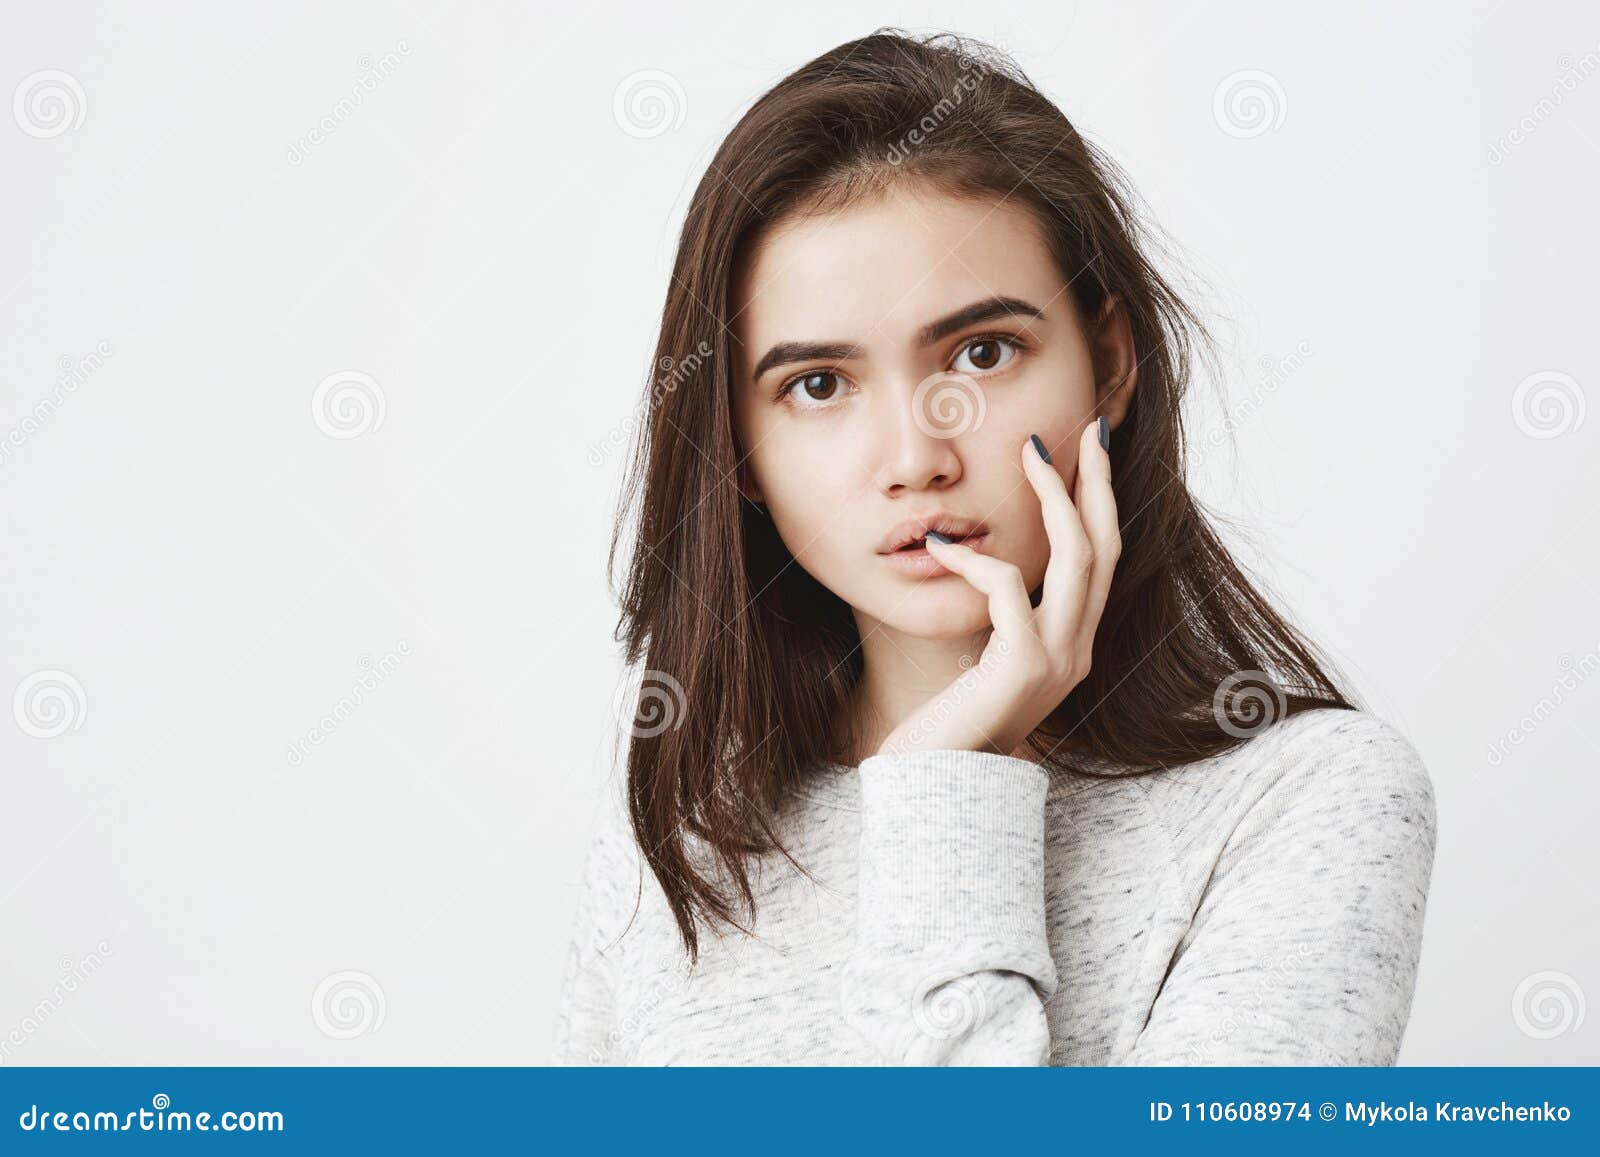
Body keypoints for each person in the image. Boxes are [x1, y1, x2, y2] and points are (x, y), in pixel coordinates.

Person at [554, 28, 1437, 1065]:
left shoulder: (1307, 801)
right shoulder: (682, 809)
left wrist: (946, 782)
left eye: (981, 352)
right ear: (739, 446)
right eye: (819, 384)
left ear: (1108, 363)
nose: (914, 456)